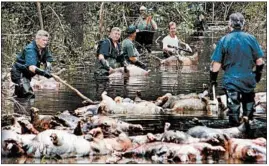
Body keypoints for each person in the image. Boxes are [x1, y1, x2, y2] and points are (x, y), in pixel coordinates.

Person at [210, 12, 264, 126]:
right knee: (249, 116)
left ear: (230, 24)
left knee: (233, 113)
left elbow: (215, 66)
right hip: (248, 81)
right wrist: (257, 75)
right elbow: (260, 62)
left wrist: (213, 80)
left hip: (231, 82)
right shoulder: (251, 39)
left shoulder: (224, 40)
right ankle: (249, 133)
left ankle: (234, 133)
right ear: (243, 24)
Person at [10, 30, 53, 99]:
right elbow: (31, 68)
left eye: (46, 40)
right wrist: (44, 73)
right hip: (19, 74)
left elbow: (48, 59)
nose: (45, 42)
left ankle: (16, 108)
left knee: (19, 96)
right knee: (29, 95)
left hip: (27, 75)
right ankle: (29, 109)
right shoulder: (30, 49)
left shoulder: (44, 49)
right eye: (43, 40)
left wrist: (48, 68)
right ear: (37, 39)